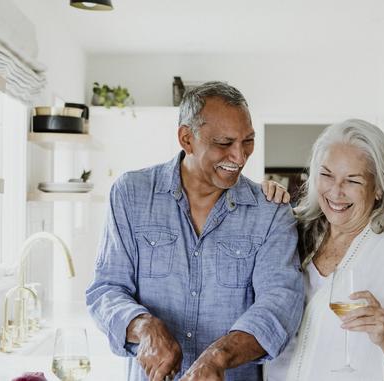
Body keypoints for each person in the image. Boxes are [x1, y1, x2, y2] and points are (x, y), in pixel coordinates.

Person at [86, 81, 305, 381]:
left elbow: (280, 304)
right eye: (224, 143)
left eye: (248, 141)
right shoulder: (131, 194)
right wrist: (143, 326)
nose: (240, 157)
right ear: (187, 139)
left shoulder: (271, 212)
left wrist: (219, 356)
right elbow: (106, 289)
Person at [263, 119, 384, 380]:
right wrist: (263, 200)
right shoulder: (296, 231)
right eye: (327, 175)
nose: (336, 191)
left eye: (352, 181)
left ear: (378, 188)